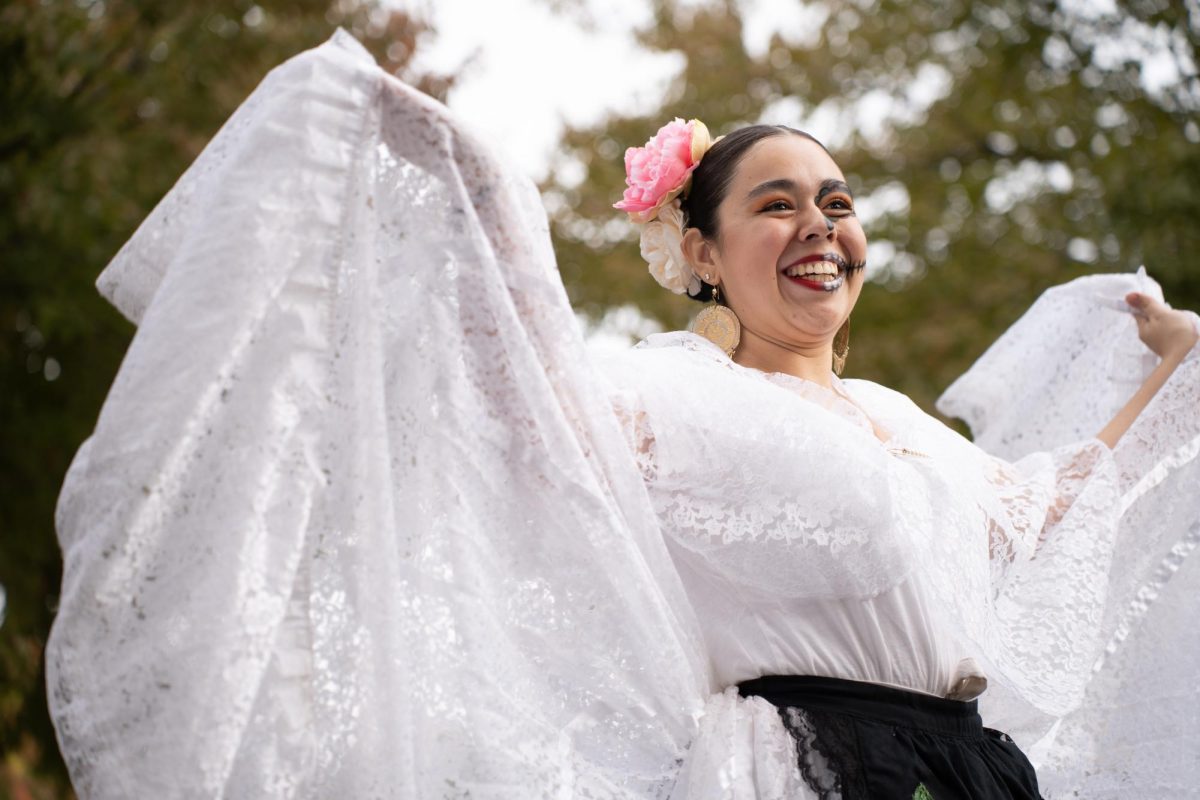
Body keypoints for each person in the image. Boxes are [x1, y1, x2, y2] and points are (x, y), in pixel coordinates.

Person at [46, 32, 1200, 799]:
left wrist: (1180, 373)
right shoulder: (667, 394)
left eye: (837, 204)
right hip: (809, 766)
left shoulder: (897, 418)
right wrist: (480, 206)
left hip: (972, 772)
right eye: (777, 202)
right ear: (699, 249)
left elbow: (1051, 507)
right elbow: (524, 415)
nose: (819, 225)